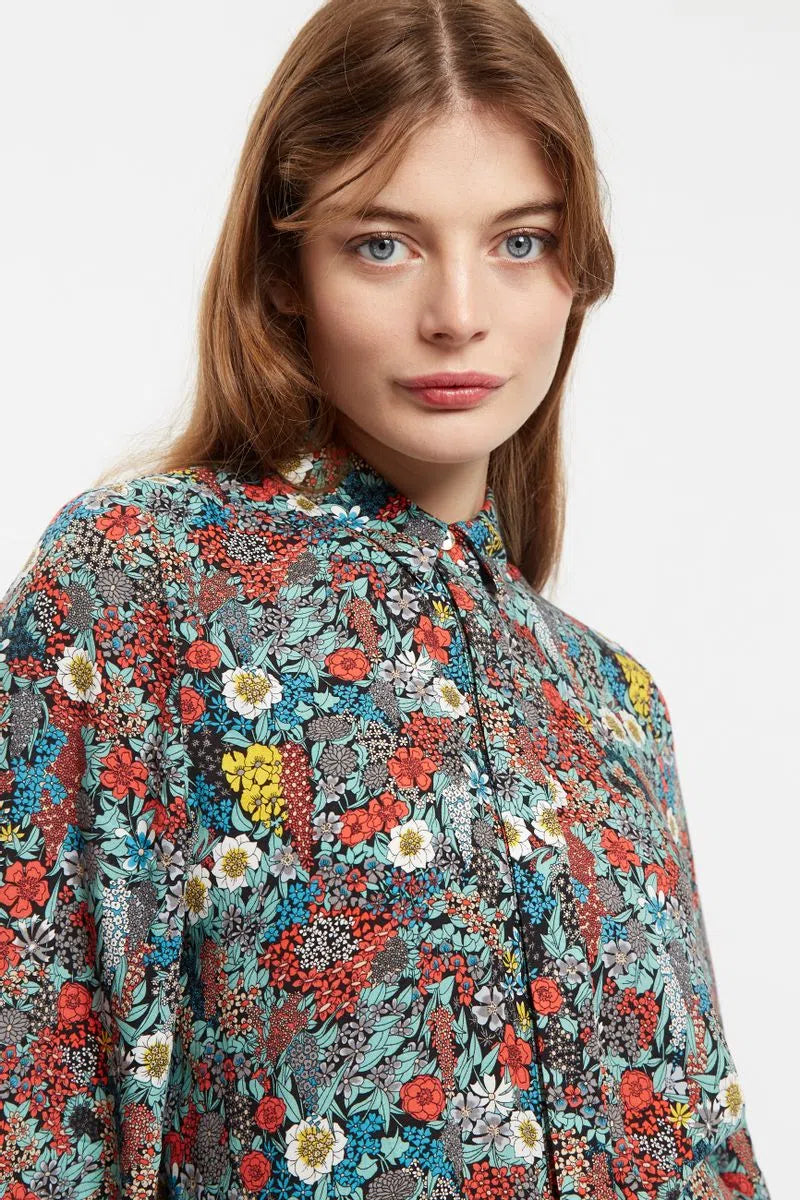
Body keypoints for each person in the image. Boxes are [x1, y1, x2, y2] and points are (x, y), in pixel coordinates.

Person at [0, 2, 770, 1198]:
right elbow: (34, 1106)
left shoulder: (614, 706)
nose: (458, 311)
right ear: (284, 270)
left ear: (577, 269)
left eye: (518, 241)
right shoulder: (139, 584)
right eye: (382, 244)